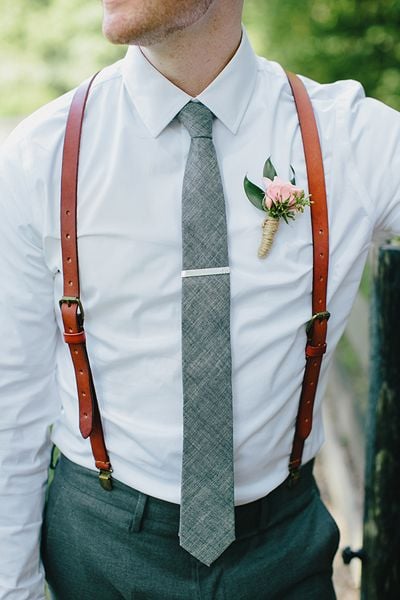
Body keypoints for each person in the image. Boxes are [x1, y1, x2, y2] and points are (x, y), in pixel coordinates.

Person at [0, 0, 399, 598]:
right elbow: (13, 398)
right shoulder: (41, 154)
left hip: (284, 552)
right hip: (97, 550)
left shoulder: (350, 138)